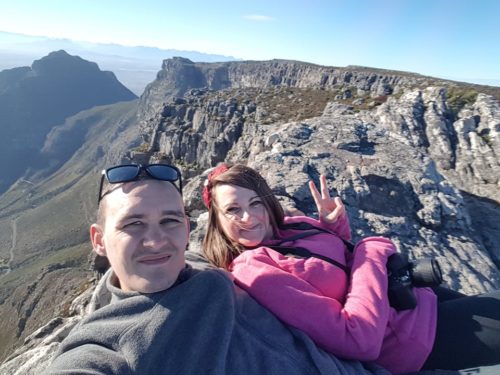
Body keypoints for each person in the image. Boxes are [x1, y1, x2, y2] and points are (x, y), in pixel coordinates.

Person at [42, 163, 394, 375]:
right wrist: (369, 251)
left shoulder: (202, 268)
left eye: (170, 221)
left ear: (188, 229)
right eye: (133, 225)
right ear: (99, 241)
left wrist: (333, 229)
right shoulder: (105, 343)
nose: (156, 241)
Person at [202, 163, 500, 374]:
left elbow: (333, 261)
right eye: (232, 209)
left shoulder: (289, 226)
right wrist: (369, 254)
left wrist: (333, 224)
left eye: (255, 203)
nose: (249, 216)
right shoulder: (254, 269)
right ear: (216, 218)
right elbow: (357, 340)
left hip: (417, 301)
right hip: (411, 341)